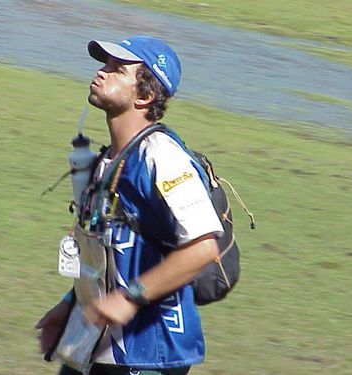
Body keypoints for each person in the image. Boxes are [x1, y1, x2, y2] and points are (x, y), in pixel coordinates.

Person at [36, 35, 224, 375]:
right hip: (93, 346)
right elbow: (106, 257)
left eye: (117, 69)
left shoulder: (161, 156)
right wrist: (70, 304)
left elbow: (203, 248)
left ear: (146, 95)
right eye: (104, 64)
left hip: (148, 355)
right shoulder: (105, 162)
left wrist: (128, 297)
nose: (101, 71)